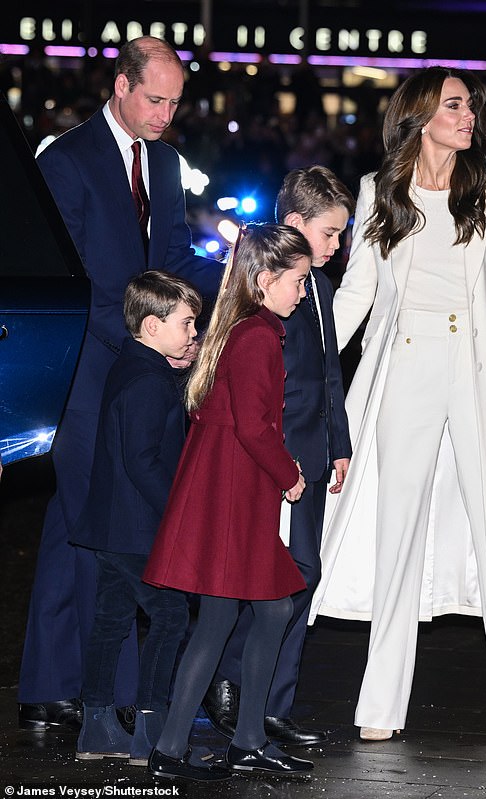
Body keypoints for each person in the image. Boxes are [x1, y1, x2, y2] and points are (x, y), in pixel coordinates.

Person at [309, 67, 486, 741]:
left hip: (478, 369)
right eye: (454, 104)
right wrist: (307, 364)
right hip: (403, 369)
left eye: (468, 105)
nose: (469, 115)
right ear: (421, 115)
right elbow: (356, 294)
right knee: (398, 527)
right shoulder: (378, 191)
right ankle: (378, 706)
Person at [18, 36, 223, 732]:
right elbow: (69, 279)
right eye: (155, 99)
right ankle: (125, 700)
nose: (166, 114)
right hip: (84, 373)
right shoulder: (67, 159)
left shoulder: (163, 163)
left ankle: (49, 687)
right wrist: (147, 342)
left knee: (74, 527)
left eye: (175, 103)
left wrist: (236, 280)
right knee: (117, 533)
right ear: (121, 86)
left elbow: (168, 259)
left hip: (138, 375)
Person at [143, 224, 315, 780]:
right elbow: (252, 426)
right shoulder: (256, 336)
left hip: (230, 487)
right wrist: (288, 473)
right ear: (264, 280)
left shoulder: (244, 329)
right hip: (236, 491)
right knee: (261, 610)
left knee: (234, 615)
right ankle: (212, 745)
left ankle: (212, 745)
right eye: (298, 281)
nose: (303, 292)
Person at [203, 166, 354, 746]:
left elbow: (329, 372)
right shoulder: (258, 288)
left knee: (301, 576)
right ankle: (232, 682)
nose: (337, 245)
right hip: (270, 455)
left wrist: (339, 442)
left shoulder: (320, 287)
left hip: (312, 453)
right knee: (264, 575)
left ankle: (272, 701)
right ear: (294, 224)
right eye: (330, 233)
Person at [71, 272, 201, 767]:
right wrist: (179, 511)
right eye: (187, 323)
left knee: (111, 619)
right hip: (137, 527)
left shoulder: (130, 365)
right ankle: (151, 728)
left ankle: (97, 727)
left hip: (112, 524)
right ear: (152, 325)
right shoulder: (148, 380)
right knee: (169, 616)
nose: (194, 332)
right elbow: (142, 460)